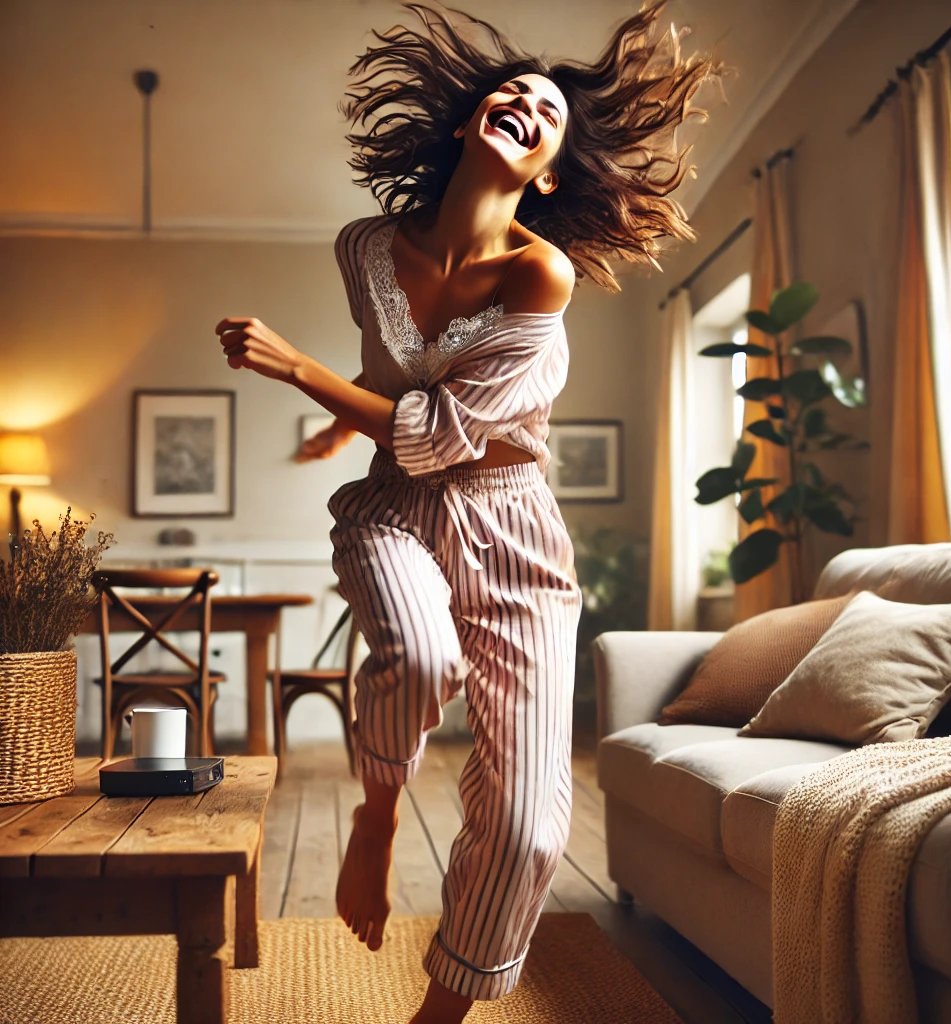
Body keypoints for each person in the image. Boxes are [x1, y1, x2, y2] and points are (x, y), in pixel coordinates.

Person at [216, 3, 718, 1020]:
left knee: (530, 825)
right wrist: (340, 426)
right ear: (464, 123)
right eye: (513, 93)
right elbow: (396, 393)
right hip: (396, 510)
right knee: (418, 654)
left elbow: (437, 426)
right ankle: (378, 814)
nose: (527, 107)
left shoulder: (543, 273)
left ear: (548, 173)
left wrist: (298, 372)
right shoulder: (364, 247)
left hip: (515, 531)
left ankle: (438, 1013)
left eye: (548, 115)